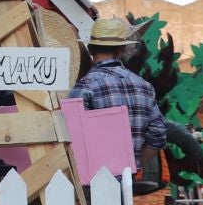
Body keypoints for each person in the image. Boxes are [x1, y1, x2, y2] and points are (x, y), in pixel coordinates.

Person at [68, 18, 167, 181]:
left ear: (90, 49)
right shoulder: (145, 87)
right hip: (128, 182)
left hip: (93, 182)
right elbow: (158, 135)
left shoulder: (85, 86)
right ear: (121, 49)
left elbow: (71, 139)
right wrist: (133, 164)